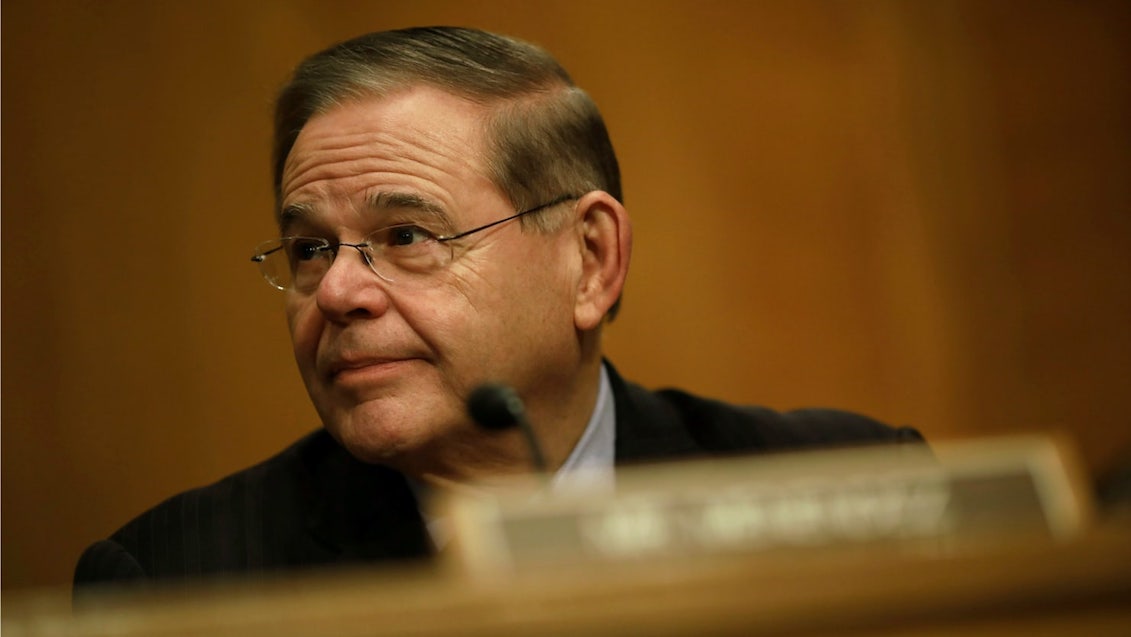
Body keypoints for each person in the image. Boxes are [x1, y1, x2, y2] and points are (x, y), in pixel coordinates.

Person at [74, 26, 922, 589]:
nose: (336, 291)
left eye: (405, 234)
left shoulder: (859, 495)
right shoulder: (178, 576)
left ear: (589, 259)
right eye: (309, 248)